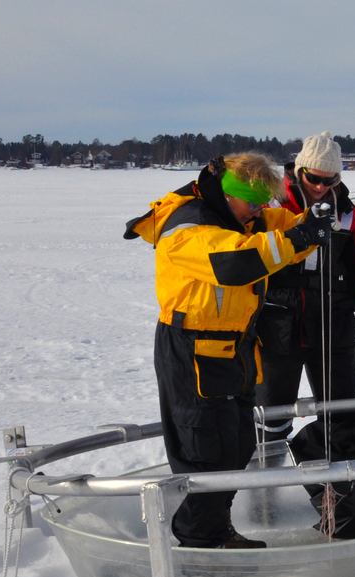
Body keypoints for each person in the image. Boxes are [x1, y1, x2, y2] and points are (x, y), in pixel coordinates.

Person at [123, 153, 331, 549]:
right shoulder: (186, 225)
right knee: (204, 452)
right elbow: (236, 262)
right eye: (252, 203)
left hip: (233, 347)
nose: (258, 212)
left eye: (261, 205)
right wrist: (301, 238)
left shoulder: (240, 217)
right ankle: (200, 540)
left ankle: (216, 529)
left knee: (237, 445)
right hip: (191, 349)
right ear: (229, 194)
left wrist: (314, 219)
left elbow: (283, 229)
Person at [255, 132, 355, 442]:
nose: (320, 186)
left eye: (329, 181)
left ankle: (342, 487)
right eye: (313, 177)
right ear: (299, 170)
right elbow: (245, 262)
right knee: (271, 417)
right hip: (278, 326)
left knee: (344, 415)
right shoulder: (270, 207)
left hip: (334, 322)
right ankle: (266, 488)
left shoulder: (346, 214)